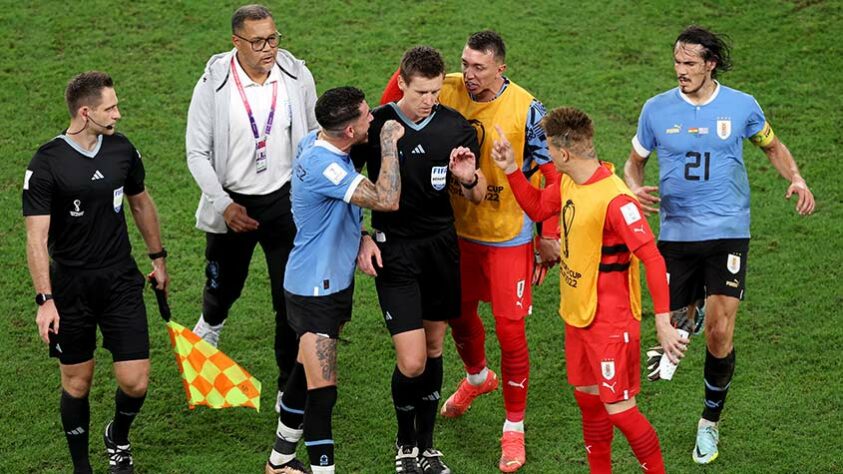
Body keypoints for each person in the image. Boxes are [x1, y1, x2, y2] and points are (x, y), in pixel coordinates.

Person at [623, 26, 815, 464]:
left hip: (728, 229)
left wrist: (797, 178)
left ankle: (709, 422)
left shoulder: (741, 106)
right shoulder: (656, 110)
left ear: (710, 64)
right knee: (668, 325)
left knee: (720, 331)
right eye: (676, 62)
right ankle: (687, 311)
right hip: (675, 234)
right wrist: (632, 188)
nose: (681, 71)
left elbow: (772, 146)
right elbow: (634, 164)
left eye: (690, 63)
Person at [382, 31, 561, 472]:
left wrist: (549, 233)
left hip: (506, 237)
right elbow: (391, 100)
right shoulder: (445, 86)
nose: (470, 75)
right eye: (465, 63)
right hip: (452, 236)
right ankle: (479, 378)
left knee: (510, 330)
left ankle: (513, 429)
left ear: (501, 68)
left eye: (479, 67)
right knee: (456, 318)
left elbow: (554, 173)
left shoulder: (526, 107)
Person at [492, 107, 686, 474]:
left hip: (611, 323)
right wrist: (511, 170)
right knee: (590, 404)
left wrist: (663, 322)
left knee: (620, 411)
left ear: (564, 154)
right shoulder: (568, 182)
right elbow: (536, 207)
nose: (547, 155)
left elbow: (653, 259)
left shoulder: (616, 200)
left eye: (549, 149)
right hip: (578, 316)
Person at [23, 71, 169, 474]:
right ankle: (82, 467)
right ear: (85, 112)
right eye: (111, 108)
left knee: (136, 381)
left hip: (121, 279)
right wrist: (45, 300)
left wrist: (158, 258)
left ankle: (118, 436)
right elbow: (36, 238)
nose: (119, 114)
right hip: (70, 287)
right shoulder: (47, 162)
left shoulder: (122, 150)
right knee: (77, 383)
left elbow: (141, 204)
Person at [351, 46, 485, 474]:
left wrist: (468, 179)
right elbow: (346, 188)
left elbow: (476, 193)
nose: (430, 100)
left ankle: (425, 448)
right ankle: (404, 443)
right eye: (421, 91)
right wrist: (360, 236)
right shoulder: (375, 126)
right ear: (402, 84)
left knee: (432, 347)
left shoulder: (455, 128)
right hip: (395, 251)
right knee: (411, 361)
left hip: (441, 248)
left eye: (435, 91)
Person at [264, 87, 404, 474]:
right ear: (347, 130)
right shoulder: (326, 164)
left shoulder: (317, 141)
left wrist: (359, 235)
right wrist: (390, 143)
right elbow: (386, 198)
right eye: (365, 117)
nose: (372, 120)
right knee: (322, 392)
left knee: (301, 373)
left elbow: (333, 208)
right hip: (315, 291)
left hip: (323, 283)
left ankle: (279, 463)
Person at [185, 3, 318, 407]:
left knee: (288, 298)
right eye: (258, 41)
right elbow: (196, 153)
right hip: (234, 202)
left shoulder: (296, 75)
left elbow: (312, 136)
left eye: (273, 38)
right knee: (223, 287)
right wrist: (224, 205)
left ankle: (286, 386)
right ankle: (210, 324)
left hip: (285, 200)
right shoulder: (213, 83)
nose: (268, 48)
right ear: (236, 42)